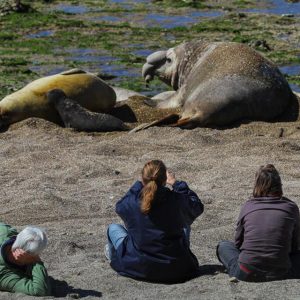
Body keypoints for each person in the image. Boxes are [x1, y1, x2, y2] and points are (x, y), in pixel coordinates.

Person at [105, 160, 204, 283]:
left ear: (143, 179)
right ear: (164, 180)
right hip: (178, 269)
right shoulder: (176, 200)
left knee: (113, 228)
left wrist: (138, 186)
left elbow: (119, 207)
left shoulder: (133, 201)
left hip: (138, 267)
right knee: (185, 226)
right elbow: (197, 206)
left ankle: (116, 258)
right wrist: (176, 184)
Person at [217, 164, 300, 282]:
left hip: (247, 271)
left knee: (223, 246)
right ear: (279, 184)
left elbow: (238, 243)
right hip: (281, 271)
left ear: (257, 185)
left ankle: (235, 270)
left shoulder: (248, 206)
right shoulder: (291, 207)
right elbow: (295, 246)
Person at [0, 223, 51, 296]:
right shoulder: (4, 275)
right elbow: (40, 291)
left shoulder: (6, 231)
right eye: (35, 255)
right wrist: (37, 262)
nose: (37, 256)